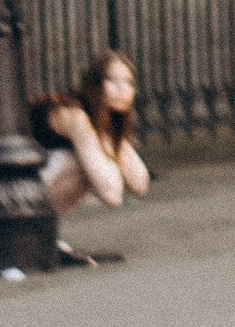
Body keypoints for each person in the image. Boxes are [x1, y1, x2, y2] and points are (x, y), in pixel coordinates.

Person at [29, 51, 150, 238]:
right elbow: (111, 193)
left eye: (128, 83)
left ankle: (42, 233)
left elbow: (139, 183)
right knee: (80, 165)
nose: (122, 90)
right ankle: (33, 232)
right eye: (112, 81)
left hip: (35, 182)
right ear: (94, 85)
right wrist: (107, 142)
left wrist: (113, 138)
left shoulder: (104, 117)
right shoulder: (74, 115)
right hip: (15, 186)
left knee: (90, 164)